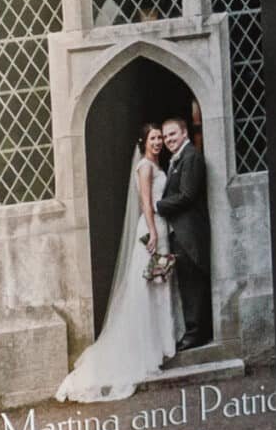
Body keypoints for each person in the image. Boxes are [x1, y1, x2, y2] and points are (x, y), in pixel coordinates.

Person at [55, 123, 181, 403]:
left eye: (161, 137)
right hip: (152, 230)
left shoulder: (157, 164)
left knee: (160, 283)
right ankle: (145, 349)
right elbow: (146, 203)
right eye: (154, 138)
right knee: (147, 286)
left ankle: (161, 343)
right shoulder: (145, 167)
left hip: (160, 227)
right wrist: (153, 232)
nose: (159, 142)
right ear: (144, 141)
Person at [157, 117, 212, 350]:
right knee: (187, 282)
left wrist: (158, 206)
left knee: (192, 283)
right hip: (180, 232)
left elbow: (187, 195)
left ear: (184, 133)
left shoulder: (192, 157)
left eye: (173, 134)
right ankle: (194, 330)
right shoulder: (177, 159)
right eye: (166, 135)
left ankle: (195, 334)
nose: (169, 139)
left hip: (189, 232)